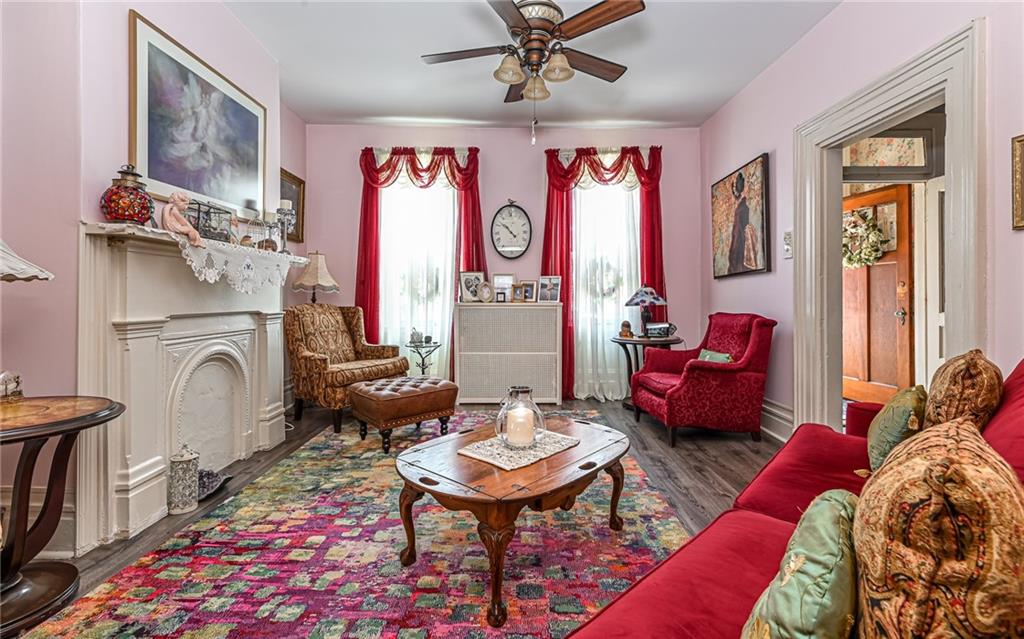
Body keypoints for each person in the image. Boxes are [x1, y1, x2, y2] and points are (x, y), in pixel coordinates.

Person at [727, 172, 750, 273]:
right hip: (737, 235)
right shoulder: (742, 206)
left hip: (739, 237)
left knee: (736, 256)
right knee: (734, 256)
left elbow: (742, 226)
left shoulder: (743, 208)